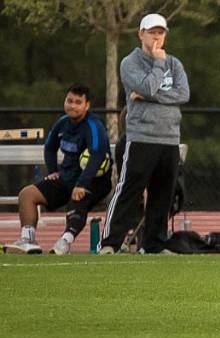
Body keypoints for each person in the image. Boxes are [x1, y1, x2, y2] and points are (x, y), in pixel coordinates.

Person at [100, 14, 190, 254]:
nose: (157, 37)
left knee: (163, 193)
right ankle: (110, 242)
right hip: (141, 137)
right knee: (129, 189)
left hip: (169, 137)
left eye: (161, 32)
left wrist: (152, 95)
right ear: (141, 34)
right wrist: (158, 65)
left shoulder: (175, 64)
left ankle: (154, 244)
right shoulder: (131, 63)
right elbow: (147, 86)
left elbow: (183, 95)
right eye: (152, 32)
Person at [6, 85, 112, 254]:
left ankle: (65, 241)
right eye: (69, 101)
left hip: (93, 182)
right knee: (27, 194)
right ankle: (28, 239)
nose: (73, 106)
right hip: (66, 178)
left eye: (78, 102)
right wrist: (53, 171)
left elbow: (97, 155)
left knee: (77, 199)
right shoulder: (62, 123)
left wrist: (82, 184)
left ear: (87, 105)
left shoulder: (93, 125)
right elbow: (49, 147)